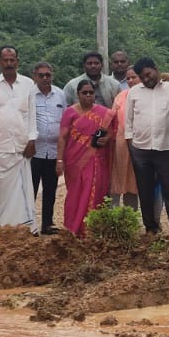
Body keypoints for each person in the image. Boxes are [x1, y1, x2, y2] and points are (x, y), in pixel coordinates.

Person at [124, 58, 169, 235]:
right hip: (140, 150)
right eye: (141, 77)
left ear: (156, 70)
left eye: (148, 74)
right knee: (145, 190)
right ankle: (150, 227)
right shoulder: (134, 92)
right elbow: (128, 122)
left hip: (165, 148)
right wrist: (131, 146)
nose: (145, 79)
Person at [0, 45, 37, 234]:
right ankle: (0, 229)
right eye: (5, 60)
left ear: (17, 62)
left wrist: (32, 140)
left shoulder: (29, 84)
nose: (8, 63)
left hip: (22, 146)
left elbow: (32, 114)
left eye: (12, 60)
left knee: (23, 190)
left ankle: (26, 228)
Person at [56, 79, 115, 236]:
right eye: (84, 93)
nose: (88, 96)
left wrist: (106, 139)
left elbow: (111, 132)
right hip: (74, 160)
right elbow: (62, 137)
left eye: (91, 93)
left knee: (95, 192)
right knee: (75, 193)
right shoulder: (70, 112)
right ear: (78, 94)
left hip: (96, 160)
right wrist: (59, 160)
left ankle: (91, 229)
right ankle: (73, 227)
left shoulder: (104, 113)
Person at [30, 62, 67, 234]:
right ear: (34, 76)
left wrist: (62, 155)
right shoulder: (29, 95)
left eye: (48, 75)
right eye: (41, 75)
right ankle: (29, 224)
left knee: (50, 190)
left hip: (53, 151)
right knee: (31, 190)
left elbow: (65, 123)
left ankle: (47, 224)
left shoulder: (60, 94)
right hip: (33, 152)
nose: (45, 78)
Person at [107, 67, 141, 211]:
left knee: (133, 184)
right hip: (119, 147)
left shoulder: (149, 96)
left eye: (134, 77)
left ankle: (130, 219)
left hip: (139, 147)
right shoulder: (121, 96)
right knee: (116, 180)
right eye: (128, 78)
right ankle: (112, 220)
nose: (131, 81)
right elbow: (111, 119)